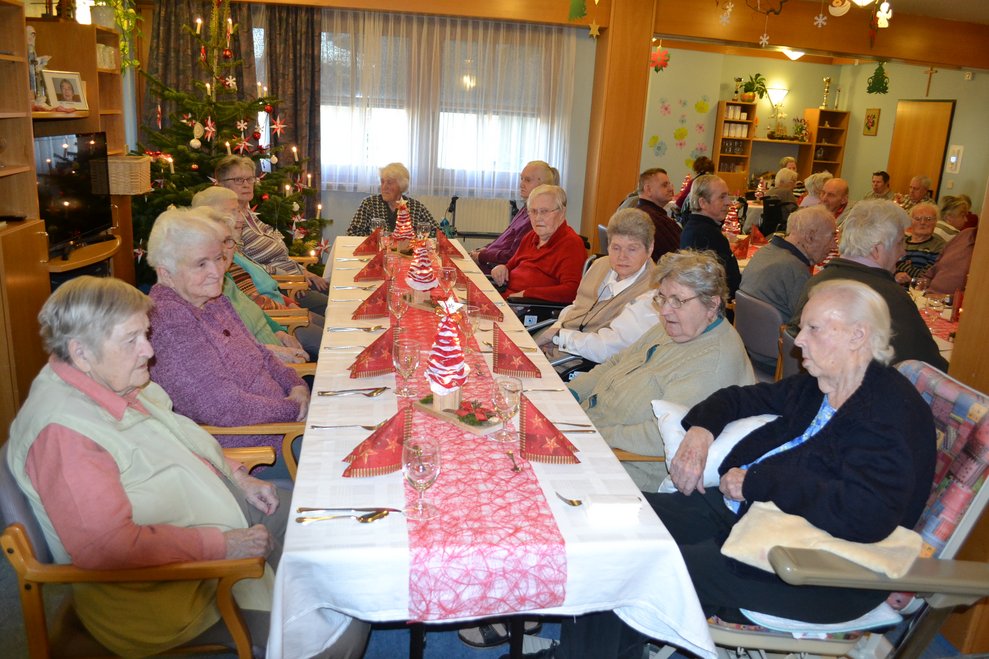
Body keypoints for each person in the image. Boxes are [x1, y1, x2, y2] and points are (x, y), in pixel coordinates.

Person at [539, 280, 936, 659]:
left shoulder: (888, 413)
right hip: (743, 515)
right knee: (603, 523)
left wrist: (760, 482)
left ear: (857, 336)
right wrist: (700, 431)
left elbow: (866, 514)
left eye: (813, 329)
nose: (798, 340)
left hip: (812, 566)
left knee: (635, 564)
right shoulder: (822, 385)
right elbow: (738, 399)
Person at [5, 275, 370, 657]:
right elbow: (109, 550)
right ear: (80, 352)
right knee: (342, 626)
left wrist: (237, 476)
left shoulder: (106, 378)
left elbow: (179, 434)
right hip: (178, 592)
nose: (149, 350)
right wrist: (223, 545)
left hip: (221, 511)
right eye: (131, 340)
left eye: (146, 334)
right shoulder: (65, 435)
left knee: (333, 527)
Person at [568, 250, 754, 490]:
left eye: (678, 301)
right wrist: (571, 394)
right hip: (588, 427)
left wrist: (591, 432)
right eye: (662, 298)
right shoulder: (678, 327)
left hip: (623, 466)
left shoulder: (712, 362)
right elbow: (617, 362)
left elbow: (659, 437)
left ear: (712, 304)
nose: (665, 310)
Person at [146, 208, 310, 464]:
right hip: (260, 449)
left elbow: (260, 353)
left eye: (218, 258)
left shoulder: (213, 299)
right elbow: (224, 407)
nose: (217, 271)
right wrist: (294, 407)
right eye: (201, 264)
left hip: (286, 424)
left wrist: (296, 384)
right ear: (166, 272)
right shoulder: (170, 322)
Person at [791, 199, 948, 370]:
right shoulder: (890, 298)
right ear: (876, 249)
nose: (903, 252)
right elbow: (931, 367)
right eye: (900, 243)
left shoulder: (817, 282)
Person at [191, 186, 325, 360]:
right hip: (284, 322)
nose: (241, 217)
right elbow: (249, 313)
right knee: (334, 341)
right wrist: (289, 315)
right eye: (233, 211)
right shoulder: (218, 274)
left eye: (239, 210)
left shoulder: (231, 260)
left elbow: (251, 306)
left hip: (279, 322)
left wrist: (280, 325)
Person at [536, 208, 657, 363]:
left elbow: (611, 348)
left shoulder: (652, 294)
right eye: (616, 248)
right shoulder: (600, 265)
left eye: (632, 249)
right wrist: (557, 329)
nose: (622, 257)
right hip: (555, 348)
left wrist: (560, 337)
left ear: (650, 248)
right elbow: (576, 307)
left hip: (582, 366)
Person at [214, 156, 329, 312]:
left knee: (339, 292)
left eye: (250, 179)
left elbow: (280, 255)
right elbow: (243, 266)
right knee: (337, 306)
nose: (246, 184)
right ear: (222, 184)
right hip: (283, 287)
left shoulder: (250, 215)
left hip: (297, 278)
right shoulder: (231, 223)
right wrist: (291, 277)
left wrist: (305, 272)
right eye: (238, 180)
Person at [739, 205, 836, 342]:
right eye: (832, 237)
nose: (834, 246)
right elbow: (811, 326)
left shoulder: (765, 251)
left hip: (751, 342)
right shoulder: (795, 270)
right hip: (777, 349)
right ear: (810, 237)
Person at [490, 184, 586, 302]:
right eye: (533, 211)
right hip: (508, 299)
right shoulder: (531, 236)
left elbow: (572, 291)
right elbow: (511, 264)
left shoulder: (571, 244)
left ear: (562, 213)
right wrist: (502, 268)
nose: (538, 218)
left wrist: (527, 294)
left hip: (528, 306)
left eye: (544, 211)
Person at [469, 161, 557, 272]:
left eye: (527, 180)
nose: (521, 184)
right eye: (522, 179)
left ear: (542, 186)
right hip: (489, 262)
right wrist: (484, 249)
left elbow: (513, 256)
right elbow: (503, 239)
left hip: (496, 271)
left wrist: (482, 256)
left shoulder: (535, 220)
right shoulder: (525, 210)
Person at [679, 174, 741, 297]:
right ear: (703, 203)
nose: (728, 202)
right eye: (722, 197)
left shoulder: (698, 228)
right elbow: (712, 286)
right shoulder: (704, 235)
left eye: (727, 196)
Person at [346, 162, 436, 236]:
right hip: (376, 252)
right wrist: (374, 240)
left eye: (389, 182)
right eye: (382, 182)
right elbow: (352, 232)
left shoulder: (416, 207)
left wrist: (415, 241)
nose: (384, 187)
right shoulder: (369, 204)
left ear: (401, 185)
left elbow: (437, 233)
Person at [635, 167, 681, 262]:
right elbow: (678, 256)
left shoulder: (641, 213)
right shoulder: (652, 219)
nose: (671, 189)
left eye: (669, 184)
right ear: (648, 189)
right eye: (664, 185)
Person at [894, 202, 945, 284]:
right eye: (917, 219)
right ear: (910, 221)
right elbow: (886, 268)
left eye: (928, 219)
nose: (923, 222)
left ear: (935, 222)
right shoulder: (899, 241)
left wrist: (899, 264)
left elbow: (925, 276)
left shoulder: (939, 246)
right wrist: (896, 275)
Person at [927, 225, 977, 294]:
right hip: (927, 294)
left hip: (950, 299)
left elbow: (976, 294)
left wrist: (947, 298)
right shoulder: (966, 233)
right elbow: (935, 266)